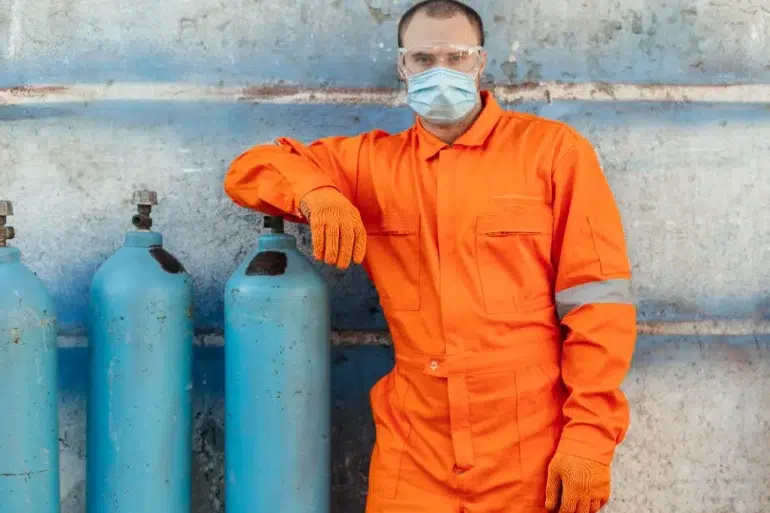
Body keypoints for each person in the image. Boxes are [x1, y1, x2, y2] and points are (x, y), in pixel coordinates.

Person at [223, 1, 637, 511]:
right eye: (422, 59)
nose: (439, 71)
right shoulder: (370, 164)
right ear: (402, 66)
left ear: (480, 62)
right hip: (415, 455)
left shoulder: (553, 153)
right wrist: (316, 192)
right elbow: (250, 169)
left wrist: (589, 441)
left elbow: (599, 307)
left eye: (455, 57)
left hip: (529, 452)